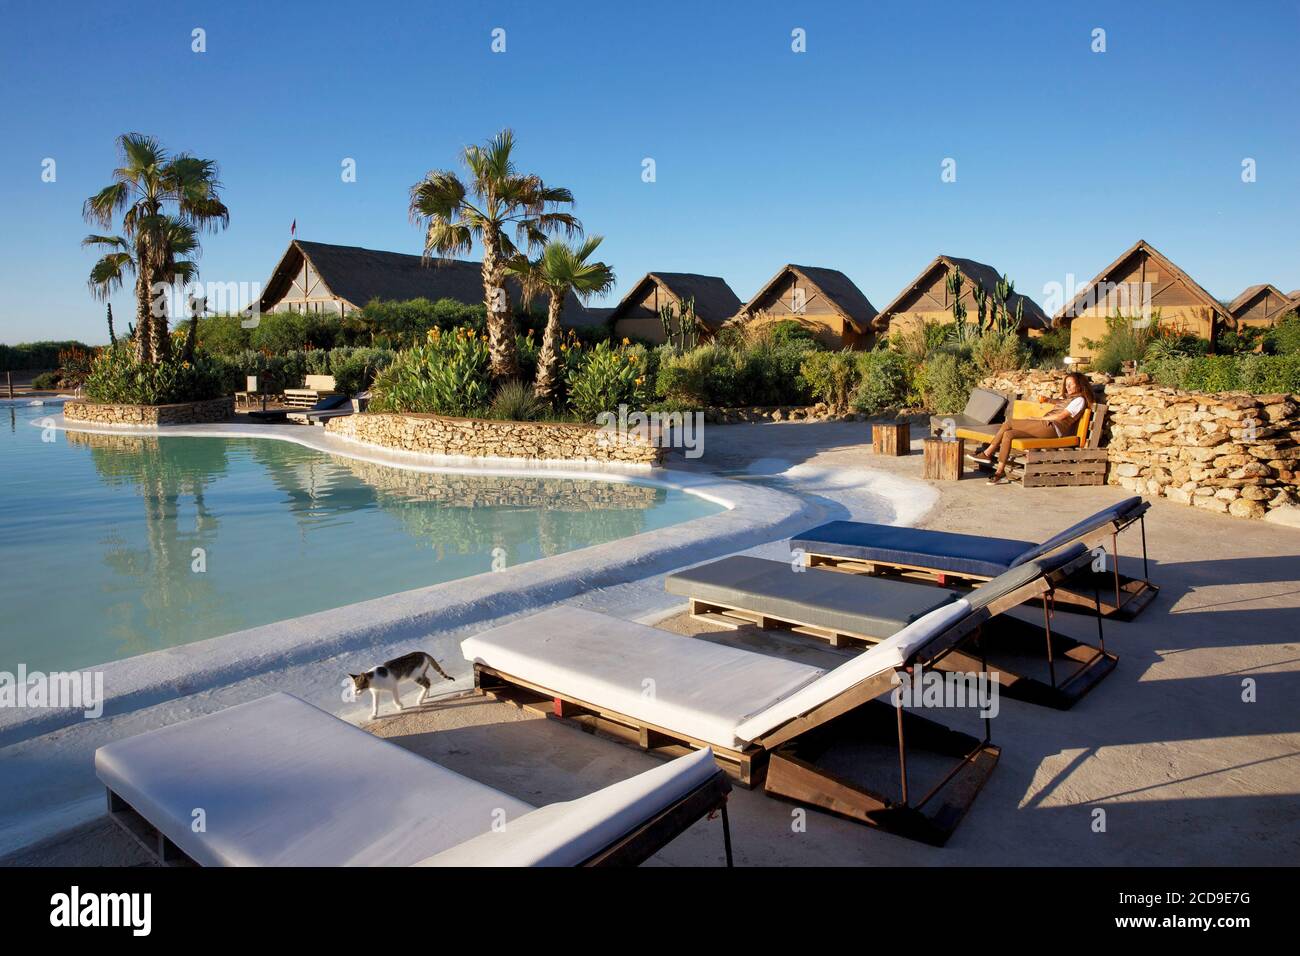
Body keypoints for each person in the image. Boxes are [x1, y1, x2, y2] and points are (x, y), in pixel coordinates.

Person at [974, 372, 1094, 484]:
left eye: (1071, 384)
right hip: (1046, 427)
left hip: (1053, 428)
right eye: (1066, 384)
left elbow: (1061, 416)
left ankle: (987, 452)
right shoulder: (1069, 398)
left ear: (1079, 385)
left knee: (1009, 423)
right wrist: (1047, 400)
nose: (1067, 387)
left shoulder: (1079, 400)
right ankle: (1000, 472)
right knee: (1009, 434)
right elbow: (1057, 402)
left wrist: (1038, 419)